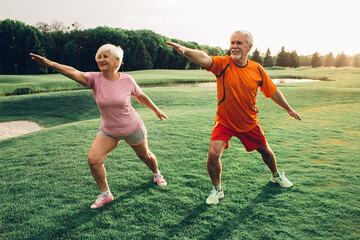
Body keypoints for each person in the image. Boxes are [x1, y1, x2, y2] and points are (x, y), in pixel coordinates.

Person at [167, 30, 301, 204]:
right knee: (213, 154)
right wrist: (185, 50)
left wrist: (288, 109)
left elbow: (273, 91)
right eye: (232, 43)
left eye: (239, 43)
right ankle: (217, 189)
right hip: (225, 122)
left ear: (249, 47)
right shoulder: (222, 64)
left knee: (265, 151)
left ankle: (276, 175)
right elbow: (204, 58)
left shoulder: (257, 69)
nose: (234, 46)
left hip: (249, 122)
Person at [30, 44, 168, 209]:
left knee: (145, 155)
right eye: (99, 57)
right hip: (109, 131)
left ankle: (156, 174)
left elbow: (141, 96)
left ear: (116, 61)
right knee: (93, 160)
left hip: (132, 128)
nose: (101, 60)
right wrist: (51, 64)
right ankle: (106, 194)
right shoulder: (94, 79)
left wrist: (156, 110)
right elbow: (74, 72)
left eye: (105, 56)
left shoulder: (127, 80)